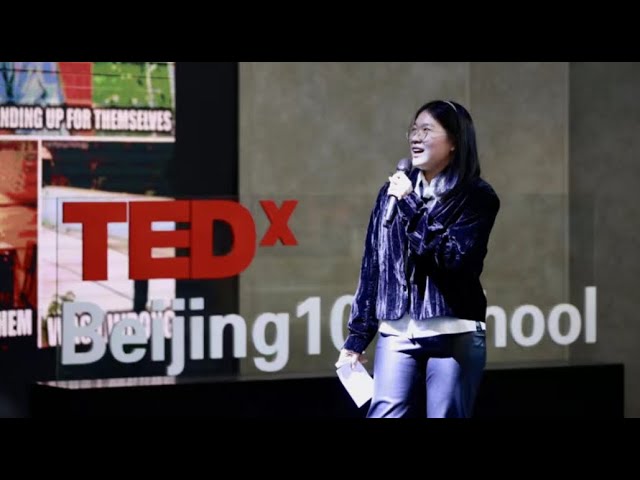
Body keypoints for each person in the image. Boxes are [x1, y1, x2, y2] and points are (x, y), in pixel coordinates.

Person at [336, 100, 500, 418]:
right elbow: (373, 267)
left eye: (427, 130)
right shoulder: (391, 193)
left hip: (454, 331)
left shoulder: (477, 196)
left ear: (454, 141)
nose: (416, 137)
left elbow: (453, 258)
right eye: (413, 129)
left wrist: (410, 205)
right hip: (397, 332)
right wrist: (357, 337)